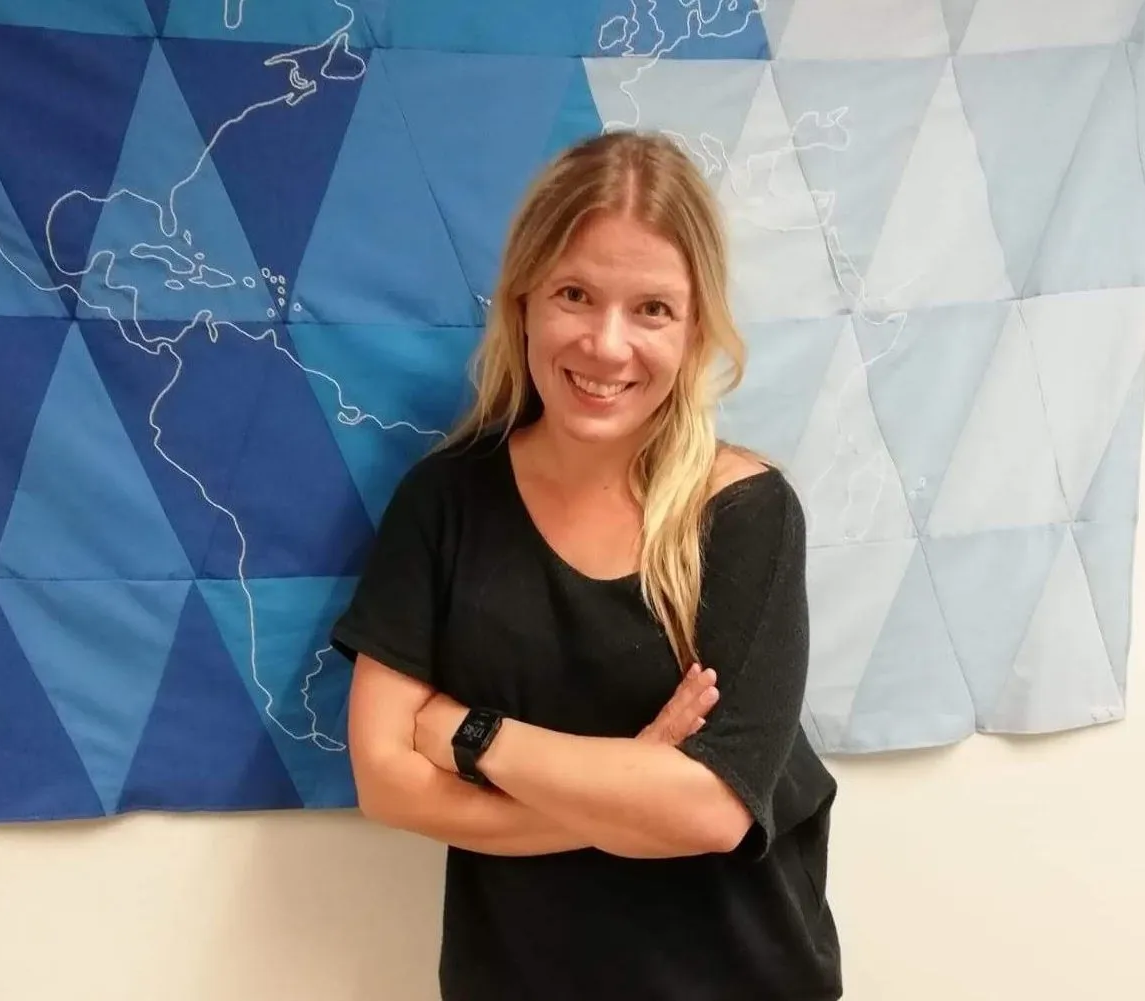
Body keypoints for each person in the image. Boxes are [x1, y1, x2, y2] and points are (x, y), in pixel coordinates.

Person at [329, 129, 842, 1001]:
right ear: (524, 299)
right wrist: (633, 779)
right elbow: (386, 783)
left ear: (696, 327)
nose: (607, 346)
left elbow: (713, 809)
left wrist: (472, 735)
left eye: (652, 309)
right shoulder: (444, 500)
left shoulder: (747, 513)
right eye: (575, 294)